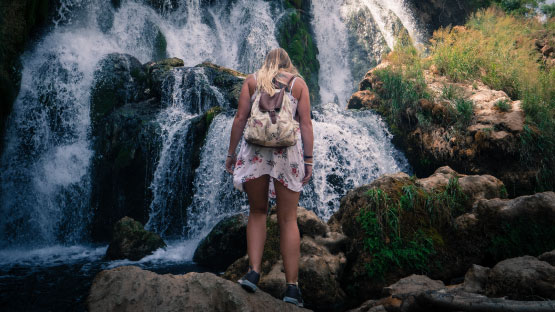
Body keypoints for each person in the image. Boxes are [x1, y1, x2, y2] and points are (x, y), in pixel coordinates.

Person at [225, 47, 314, 307]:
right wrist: (308, 160)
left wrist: (231, 155)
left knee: (258, 212)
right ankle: (292, 289)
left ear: (266, 62)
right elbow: (306, 124)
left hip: (255, 151)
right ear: (288, 64)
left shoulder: (252, 81)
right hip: (287, 153)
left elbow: (240, 118)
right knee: (288, 219)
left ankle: (253, 273)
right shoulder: (298, 85)